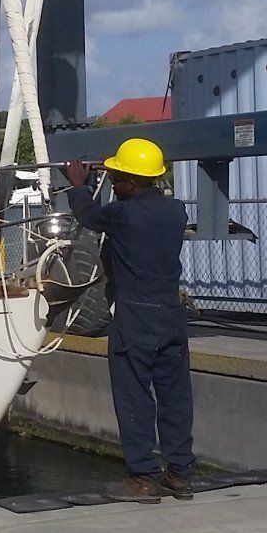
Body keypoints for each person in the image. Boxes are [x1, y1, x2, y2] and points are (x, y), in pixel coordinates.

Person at [64, 138, 195, 502]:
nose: (114, 183)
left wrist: (79, 185)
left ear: (132, 183)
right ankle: (180, 473)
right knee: (175, 396)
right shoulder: (177, 211)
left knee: (134, 397)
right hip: (171, 314)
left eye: (117, 178)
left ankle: (143, 478)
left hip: (136, 316)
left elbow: (89, 217)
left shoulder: (122, 215)